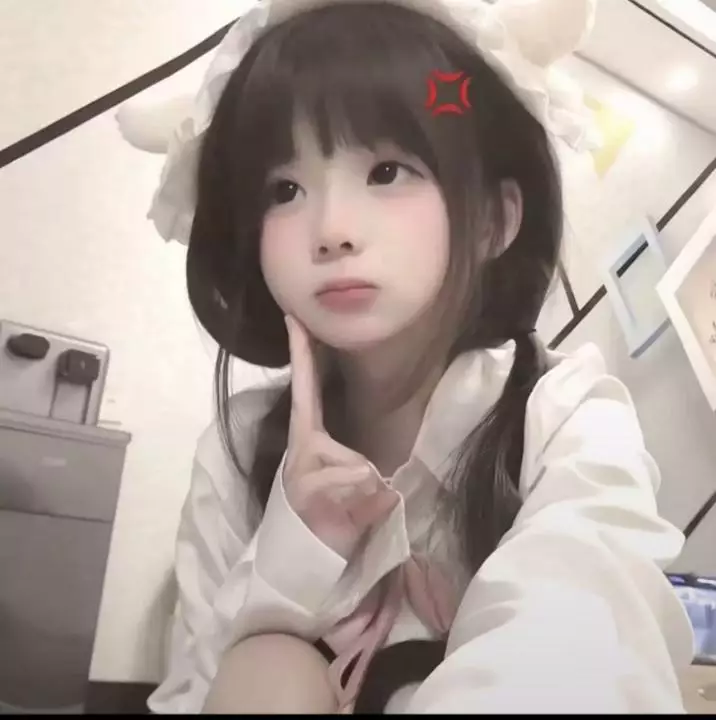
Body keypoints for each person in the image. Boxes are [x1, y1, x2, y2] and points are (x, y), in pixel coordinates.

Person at [146, 0, 694, 713]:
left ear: (494, 219)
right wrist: (291, 556)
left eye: (386, 171)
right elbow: (191, 692)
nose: (332, 229)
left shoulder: (566, 418)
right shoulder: (239, 446)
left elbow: (582, 639)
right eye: (285, 190)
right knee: (267, 666)